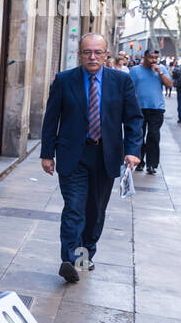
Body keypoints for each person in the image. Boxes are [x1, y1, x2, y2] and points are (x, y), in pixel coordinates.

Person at [40, 34, 142, 284]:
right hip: (72, 153)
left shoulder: (121, 81)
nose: (92, 57)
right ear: (80, 54)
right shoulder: (65, 80)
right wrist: (46, 152)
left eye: (98, 52)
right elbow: (51, 117)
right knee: (74, 208)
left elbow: (133, 119)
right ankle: (69, 260)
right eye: (87, 52)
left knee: (95, 211)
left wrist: (133, 150)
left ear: (107, 54)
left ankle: (85, 255)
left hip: (105, 154)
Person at [130, 49, 173, 174]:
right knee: (139, 136)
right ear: (145, 57)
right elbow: (129, 89)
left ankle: (152, 164)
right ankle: (139, 161)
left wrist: (160, 73)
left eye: (155, 57)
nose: (154, 60)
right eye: (151, 57)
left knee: (153, 136)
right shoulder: (135, 70)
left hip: (157, 108)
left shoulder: (162, 69)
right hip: (139, 108)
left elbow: (170, 85)